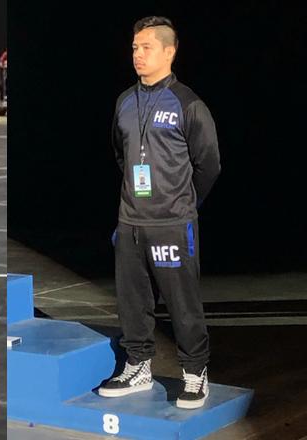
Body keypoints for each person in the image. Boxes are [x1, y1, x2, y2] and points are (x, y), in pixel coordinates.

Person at [97, 16, 220, 410]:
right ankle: (138, 366)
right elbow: (121, 154)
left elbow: (209, 164)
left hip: (173, 222)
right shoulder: (124, 101)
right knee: (132, 301)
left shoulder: (188, 103)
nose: (137, 54)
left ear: (169, 51)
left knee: (183, 303)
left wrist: (183, 205)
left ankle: (195, 371)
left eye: (146, 47)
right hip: (131, 221)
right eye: (134, 47)